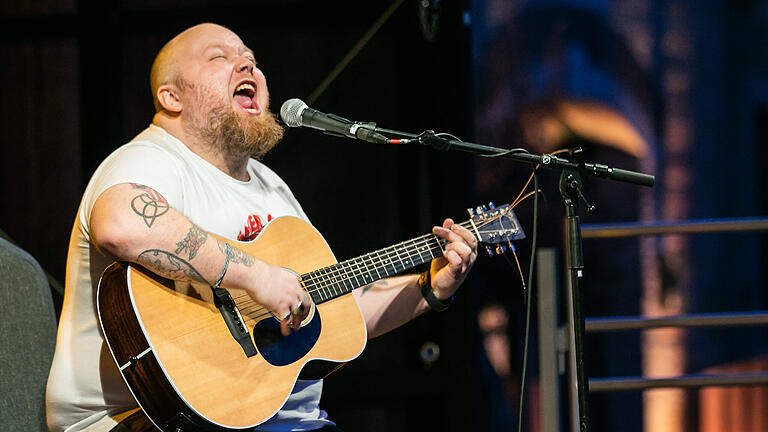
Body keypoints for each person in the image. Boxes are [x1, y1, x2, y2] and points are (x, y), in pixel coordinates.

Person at [46, 23, 477, 432]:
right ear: (172, 97)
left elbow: (336, 313)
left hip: (277, 419)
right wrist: (256, 276)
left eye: (251, 58)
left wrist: (430, 287)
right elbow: (122, 224)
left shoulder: (271, 187)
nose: (247, 65)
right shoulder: (151, 158)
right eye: (219, 57)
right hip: (142, 417)